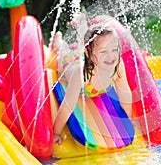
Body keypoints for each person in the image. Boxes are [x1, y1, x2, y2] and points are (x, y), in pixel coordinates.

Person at [50, 14, 133, 145]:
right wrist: (56, 133)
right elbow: (67, 107)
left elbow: (125, 93)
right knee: (63, 52)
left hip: (86, 55)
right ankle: (59, 42)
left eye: (114, 49)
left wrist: (128, 120)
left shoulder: (117, 65)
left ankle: (82, 23)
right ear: (88, 54)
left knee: (86, 44)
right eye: (104, 51)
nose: (111, 56)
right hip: (71, 62)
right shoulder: (82, 75)